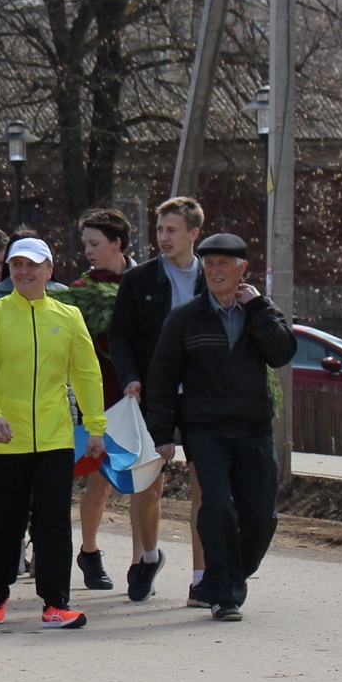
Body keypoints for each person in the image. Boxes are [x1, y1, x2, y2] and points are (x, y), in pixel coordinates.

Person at [143, 232, 292, 623]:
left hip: (254, 428)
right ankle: (224, 593)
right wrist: (162, 434)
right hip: (205, 430)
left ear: (242, 268)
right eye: (209, 263)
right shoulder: (186, 318)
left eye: (224, 263)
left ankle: (224, 577)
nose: (215, 270)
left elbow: (281, 353)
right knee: (218, 508)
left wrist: (259, 308)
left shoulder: (259, 312)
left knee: (261, 516)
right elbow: (161, 379)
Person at [0, 236, 102, 630]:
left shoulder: (68, 316)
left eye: (32, 265)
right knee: (5, 522)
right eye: (17, 265)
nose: (24, 272)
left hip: (56, 437)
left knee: (54, 520)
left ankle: (55, 602)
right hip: (7, 438)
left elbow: (87, 373)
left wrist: (95, 426)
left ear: (49, 270)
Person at [108, 196, 209, 603]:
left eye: (172, 230)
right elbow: (120, 336)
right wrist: (130, 378)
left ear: (193, 234)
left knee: (207, 489)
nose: (163, 238)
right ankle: (148, 557)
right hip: (152, 394)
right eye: (159, 229)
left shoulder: (211, 278)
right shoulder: (140, 280)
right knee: (147, 485)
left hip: (202, 397)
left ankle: (202, 576)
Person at [69, 209, 136, 592]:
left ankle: (143, 559)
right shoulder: (80, 291)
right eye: (86, 244)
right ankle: (90, 553)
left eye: (95, 244)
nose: (89, 251)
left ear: (117, 244)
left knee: (142, 483)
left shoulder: (143, 282)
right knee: (100, 482)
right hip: (95, 398)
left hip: (135, 398)